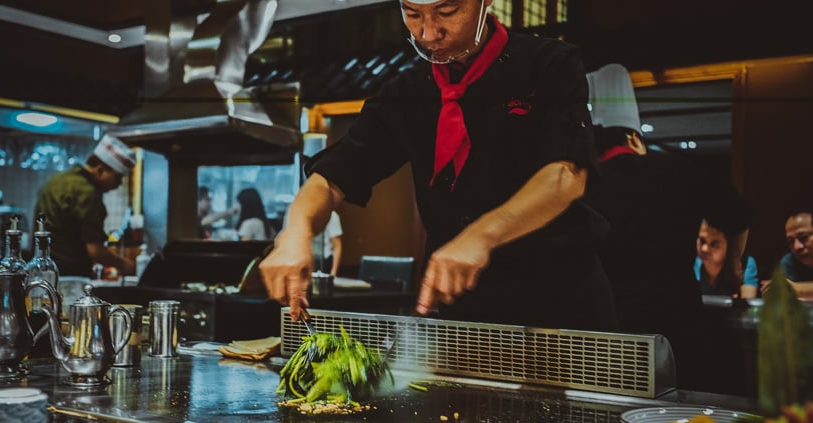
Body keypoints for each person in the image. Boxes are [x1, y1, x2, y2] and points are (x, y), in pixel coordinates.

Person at [259, 0, 618, 332]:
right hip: (464, 309)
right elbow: (332, 176)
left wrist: (480, 236)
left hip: (561, 302)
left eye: (446, 11)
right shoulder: (405, 93)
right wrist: (296, 230)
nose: (429, 33)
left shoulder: (547, 63)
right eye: (413, 14)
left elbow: (567, 174)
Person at [581, 63, 751, 392]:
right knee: (683, 411)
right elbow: (739, 213)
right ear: (634, 136)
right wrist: (732, 267)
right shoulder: (673, 170)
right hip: (679, 325)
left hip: (611, 336)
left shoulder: (583, 186)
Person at [33, 134, 137, 278]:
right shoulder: (87, 193)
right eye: (118, 177)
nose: (119, 184)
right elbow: (96, 251)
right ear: (100, 170)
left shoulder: (59, 180)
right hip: (69, 275)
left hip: (41, 272)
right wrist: (126, 266)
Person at [695, 220, 759, 298]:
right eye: (702, 241)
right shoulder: (693, 263)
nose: (704, 249)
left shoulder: (747, 264)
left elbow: (747, 303)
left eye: (714, 244)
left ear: (729, 247)